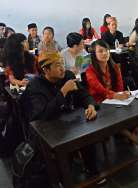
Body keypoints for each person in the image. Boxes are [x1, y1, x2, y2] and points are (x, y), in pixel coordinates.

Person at [20, 52, 106, 185]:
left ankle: (92, 171)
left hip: (69, 121)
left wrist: (90, 105)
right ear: (46, 70)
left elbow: (84, 93)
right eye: (57, 65)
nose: (62, 68)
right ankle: (62, 179)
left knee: (86, 134)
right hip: (48, 129)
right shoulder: (35, 86)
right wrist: (63, 92)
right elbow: (43, 115)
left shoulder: (68, 76)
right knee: (63, 152)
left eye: (62, 63)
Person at [85, 40, 138, 151]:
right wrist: (116, 96)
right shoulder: (90, 71)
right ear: (94, 54)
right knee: (118, 121)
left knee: (131, 115)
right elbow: (101, 90)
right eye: (100, 51)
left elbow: (119, 86)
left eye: (106, 50)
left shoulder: (114, 66)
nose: (105, 53)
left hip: (114, 101)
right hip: (100, 104)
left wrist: (122, 94)